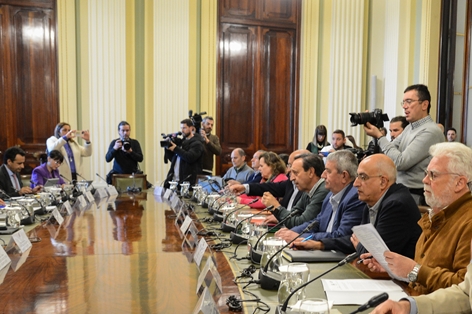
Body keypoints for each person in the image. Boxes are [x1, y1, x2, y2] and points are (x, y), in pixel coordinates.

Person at [362, 142, 472, 294]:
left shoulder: (468, 222)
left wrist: (413, 270)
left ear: (459, 183)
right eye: (426, 173)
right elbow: (421, 277)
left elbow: (465, 290)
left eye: (433, 175)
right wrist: (395, 270)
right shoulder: (436, 215)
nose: (425, 180)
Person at [294, 154, 421, 259]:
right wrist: (320, 244)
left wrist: (360, 245)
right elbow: (354, 240)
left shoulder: (396, 205)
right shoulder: (371, 200)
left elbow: (374, 255)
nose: (355, 183)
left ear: (382, 182)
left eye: (363, 177)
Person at [363, 84, 444, 205]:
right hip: (402, 190)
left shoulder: (430, 131)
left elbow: (401, 162)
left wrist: (380, 136)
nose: (405, 107)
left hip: (417, 195)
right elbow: (389, 152)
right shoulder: (410, 128)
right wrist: (377, 135)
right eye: (403, 102)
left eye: (409, 101)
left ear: (424, 105)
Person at [276, 150, 364, 243]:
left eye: (328, 171)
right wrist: (292, 232)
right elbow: (317, 222)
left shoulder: (355, 198)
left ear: (344, 176)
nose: (323, 175)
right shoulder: (330, 194)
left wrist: (301, 237)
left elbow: (341, 236)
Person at [371, 242, 472, 314]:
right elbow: (466, 293)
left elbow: (459, 281)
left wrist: (414, 271)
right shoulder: (430, 220)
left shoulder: (466, 223)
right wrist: (409, 307)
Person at [228, 149, 309, 213]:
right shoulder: (287, 182)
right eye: (289, 165)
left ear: (271, 166)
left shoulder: (282, 178)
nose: (288, 170)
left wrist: (241, 200)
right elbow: (265, 188)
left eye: (261, 166)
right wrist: (244, 188)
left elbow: (265, 202)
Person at [263, 153, 329, 229]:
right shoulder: (307, 189)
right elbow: (293, 214)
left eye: (295, 173)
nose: (291, 178)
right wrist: (279, 216)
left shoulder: (323, 191)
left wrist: (276, 207)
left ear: (311, 172)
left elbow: (300, 223)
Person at [164, 118, 204, 188]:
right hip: (175, 180)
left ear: (192, 128)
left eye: (184, 128)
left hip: (188, 182)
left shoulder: (197, 144)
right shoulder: (181, 142)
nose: (182, 130)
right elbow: (173, 160)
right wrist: (168, 148)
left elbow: (190, 157)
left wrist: (176, 148)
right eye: (181, 128)